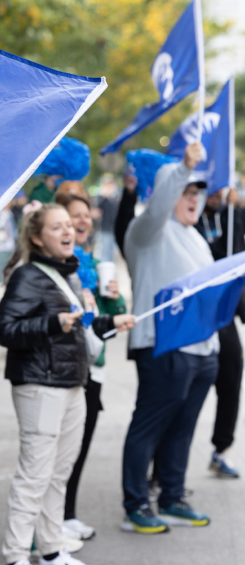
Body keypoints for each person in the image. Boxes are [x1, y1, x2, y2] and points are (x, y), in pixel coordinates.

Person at [0, 203, 135, 565]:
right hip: (40, 384)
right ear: (37, 237)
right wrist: (53, 323)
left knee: (58, 473)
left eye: (69, 225)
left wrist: (108, 322)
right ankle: (15, 562)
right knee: (35, 474)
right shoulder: (28, 276)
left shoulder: (64, 274)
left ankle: (52, 553)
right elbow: (4, 329)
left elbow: (75, 327)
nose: (68, 231)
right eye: (57, 227)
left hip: (71, 382)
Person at [122, 142, 219, 534]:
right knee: (148, 427)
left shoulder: (194, 236)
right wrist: (182, 168)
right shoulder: (146, 231)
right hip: (162, 347)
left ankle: (172, 497)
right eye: (185, 191)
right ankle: (135, 505)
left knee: (183, 428)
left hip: (201, 351)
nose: (193, 199)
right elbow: (160, 203)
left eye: (197, 192)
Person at [55, 193, 126, 541]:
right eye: (72, 218)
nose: (81, 223)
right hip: (69, 368)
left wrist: (113, 295)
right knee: (62, 451)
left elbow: (111, 324)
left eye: (84, 217)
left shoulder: (95, 263)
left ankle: (67, 514)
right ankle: (53, 524)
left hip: (93, 367)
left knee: (79, 447)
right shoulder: (60, 266)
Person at [195, 187, 245, 478]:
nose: (215, 193)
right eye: (208, 188)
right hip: (197, 316)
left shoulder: (232, 215)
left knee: (231, 381)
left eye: (219, 187)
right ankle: (161, 469)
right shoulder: (187, 223)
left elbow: (234, 255)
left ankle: (221, 450)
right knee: (183, 392)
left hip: (225, 316)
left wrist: (232, 210)